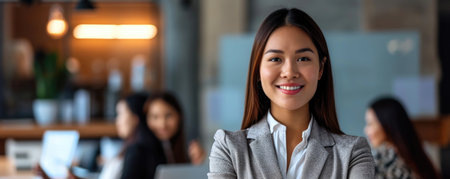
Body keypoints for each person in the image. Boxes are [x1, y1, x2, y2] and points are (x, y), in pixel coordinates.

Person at [208, 8, 375, 179]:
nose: (289, 72)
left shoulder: (353, 153)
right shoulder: (229, 148)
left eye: (303, 59)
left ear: (321, 68)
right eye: (275, 59)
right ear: (258, 70)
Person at [365, 97, 440, 179]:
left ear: (386, 123)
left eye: (370, 124)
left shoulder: (382, 165)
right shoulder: (417, 159)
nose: (366, 130)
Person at [100, 93, 166, 179]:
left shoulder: (137, 151)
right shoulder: (154, 146)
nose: (117, 120)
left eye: (120, 114)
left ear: (135, 118)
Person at [146, 91, 206, 165]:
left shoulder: (186, 148)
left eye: (168, 115)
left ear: (179, 116)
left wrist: (196, 165)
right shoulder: (141, 152)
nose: (162, 124)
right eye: (155, 117)